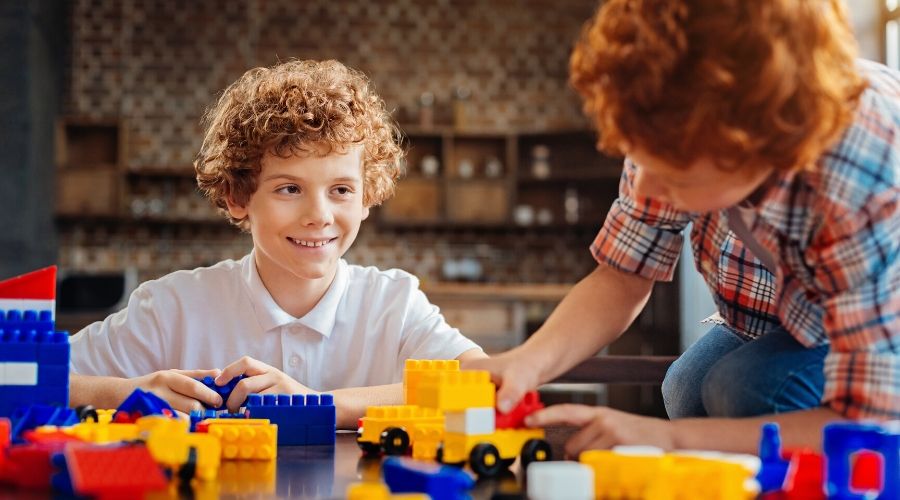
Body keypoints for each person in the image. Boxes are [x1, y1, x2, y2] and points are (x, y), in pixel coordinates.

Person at [465, 0, 899, 455]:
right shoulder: (666, 113)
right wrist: (525, 364)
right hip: (784, 316)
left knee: (747, 389)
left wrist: (668, 439)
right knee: (687, 387)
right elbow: (622, 275)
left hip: (880, 329)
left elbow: (865, 419)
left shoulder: (865, 167)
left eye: (676, 173)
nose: (649, 185)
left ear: (752, 142)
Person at [69, 59, 486, 428]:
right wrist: (129, 393)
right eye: (289, 189)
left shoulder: (394, 304)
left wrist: (316, 405)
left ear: (366, 198)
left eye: (341, 189)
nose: (319, 215)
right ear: (238, 198)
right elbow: (25, 379)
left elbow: (482, 384)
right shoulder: (172, 307)